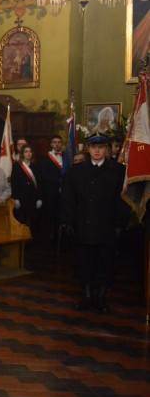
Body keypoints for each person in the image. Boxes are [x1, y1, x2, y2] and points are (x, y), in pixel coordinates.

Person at [60, 134, 128, 314]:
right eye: (93, 147)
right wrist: (68, 221)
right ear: (88, 149)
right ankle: (87, 296)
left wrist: (119, 225)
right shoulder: (77, 171)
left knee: (105, 265)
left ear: (107, 149)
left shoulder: (118, 171)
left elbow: (122, 201)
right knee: (85, 263)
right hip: (83, 225)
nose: (97, 150)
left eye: (101, 147)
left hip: (107, 226)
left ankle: (102, 299)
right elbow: (68, 198)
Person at [37, 135, 65, 243]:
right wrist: (58, 181)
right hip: (49, 193)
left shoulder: (66, 156)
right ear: (51, 144)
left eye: (59, 142)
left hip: (63, 194)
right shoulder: (45, 158)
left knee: (60, 218)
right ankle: (46, 242)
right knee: (48, 218)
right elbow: (43, 176)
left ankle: (58, 242)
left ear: (62, 143)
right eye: (54, 142)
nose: (57, 144)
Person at [11, 144, 40, 231]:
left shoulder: (35, 166)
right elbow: (14, 183)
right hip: (21, 198)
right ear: (22, 154)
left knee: (33, 223)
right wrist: (15, 198)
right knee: (22, 222)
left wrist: (39, 198)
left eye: (30, 151)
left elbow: (40, 183)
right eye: (26, 151)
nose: (28, 153)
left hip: (33, 199)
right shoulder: (16, 166)